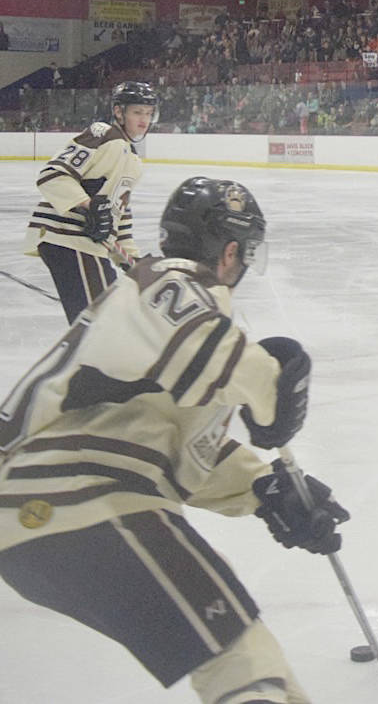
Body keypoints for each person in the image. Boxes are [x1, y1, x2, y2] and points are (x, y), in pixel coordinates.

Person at [0, 176, 348, 704]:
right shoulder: (169, 283)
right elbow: (218, 356)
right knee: (243, 663)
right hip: (83, 501)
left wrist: (266, 488)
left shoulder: (158, 316)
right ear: (231, 251)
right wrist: (274, 388)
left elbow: (164, 445)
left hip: (47, 511)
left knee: (234, 649)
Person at [24, 81, 158, 322]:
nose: (144, 119)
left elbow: (116, 216)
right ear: (119, 111)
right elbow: (52, 175)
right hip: (67, 238)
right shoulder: (103, 134)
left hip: (87, 245)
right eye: (137, 112)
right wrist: (88, 204)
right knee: (100, 326)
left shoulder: (134, 161)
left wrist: (131, 260)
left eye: (148, 113)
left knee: (102, 325)